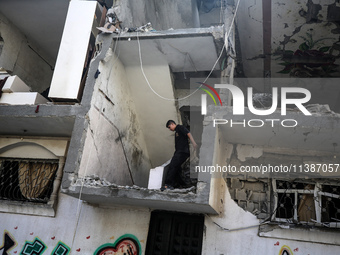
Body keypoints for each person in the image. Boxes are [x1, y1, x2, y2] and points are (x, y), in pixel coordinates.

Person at [162, 120, 197, 190]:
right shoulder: (177, 132)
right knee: (177, 168)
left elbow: (188, 133)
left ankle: (168, 184)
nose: (169, 129)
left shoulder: (180, 127)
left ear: (172, 124)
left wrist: (194, 143)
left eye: (169, 127)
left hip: (182, 152)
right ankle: (181, 184)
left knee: (172, 166)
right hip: (179, 152)